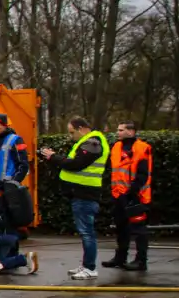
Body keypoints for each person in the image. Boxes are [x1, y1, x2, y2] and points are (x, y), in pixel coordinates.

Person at [40, 117, 109, 280]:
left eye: (72, 132)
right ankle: (86, 265)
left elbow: (76, 164)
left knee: (87, 232)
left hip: (85, 194)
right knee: (86, 231)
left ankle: (90, 268)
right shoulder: (89, 142)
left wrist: (53, 157)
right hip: (82, 193)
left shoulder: (93, 142)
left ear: (81, 128)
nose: (71, 136)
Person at [104, 121, 152, 271]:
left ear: (131, 132)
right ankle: (120, 257)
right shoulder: (116, 147)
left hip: (135, 195)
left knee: (138, 229)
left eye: (121, 130)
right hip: (118, 194)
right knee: (121, 227)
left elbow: (143, 174)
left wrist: (133, 191)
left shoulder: (142, 148)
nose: (117, 132)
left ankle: (141, 260)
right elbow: (113, 170)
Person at [0, 113, 29, 183]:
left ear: (5, 126)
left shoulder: (15, 140)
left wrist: (14, 183)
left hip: (8, 186)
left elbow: (23, 165)